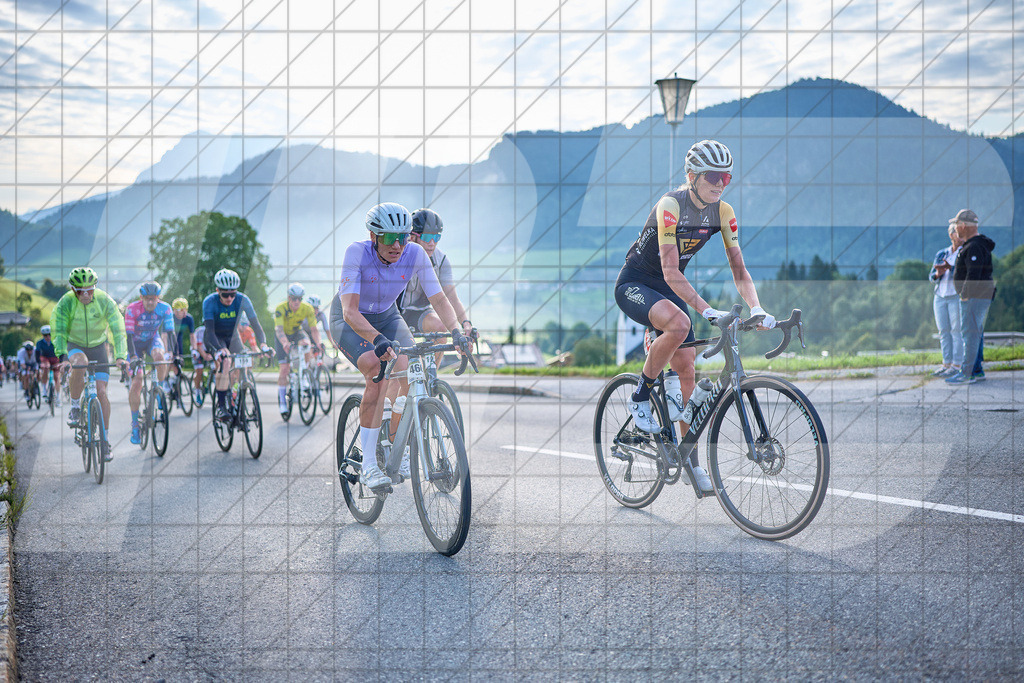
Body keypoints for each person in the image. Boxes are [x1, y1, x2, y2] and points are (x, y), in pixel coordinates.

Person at [614, 139, 776, 494]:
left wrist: (757, 307)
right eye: (712, 176)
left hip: (671, 290)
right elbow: (670, 270)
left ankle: (690, 461)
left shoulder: (723, 212)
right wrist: (707, 310)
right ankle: (641, 395)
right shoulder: (671, 204)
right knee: (681, 323)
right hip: (637, 283)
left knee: (687, 368)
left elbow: (739, 269)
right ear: (692, 175)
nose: (719, 183)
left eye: (726, 177)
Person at [330, 202, 470, 490]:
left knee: (410, 368)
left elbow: (440, 299)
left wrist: (456, 331)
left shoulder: (416, 253)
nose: (398, 245)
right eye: (390, 238)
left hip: (387, 316)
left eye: (404, 237)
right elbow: (350, 311)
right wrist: (377, 339)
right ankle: (368, 465)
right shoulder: (356, 252)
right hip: (349, 320)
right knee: (375, 371)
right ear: (374, 236)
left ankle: (396, 445)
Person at [51, 267, 128, 461]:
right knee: (81, 363)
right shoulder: (66, 303)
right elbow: (59, 330)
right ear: (73, 289)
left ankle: (105, 441)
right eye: (80, 291)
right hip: (75, 344)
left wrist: (120, 356)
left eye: (90, 290)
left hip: (99, 346)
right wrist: (63, 357)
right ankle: (76, 406)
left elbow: (118, 328)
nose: (85, 294)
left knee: (101, 392)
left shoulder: (104, 300)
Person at [201, 268, 270, 421]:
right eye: (225, 294)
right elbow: (210, 332)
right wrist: (219, 350)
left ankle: (237, 394)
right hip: (215, 337)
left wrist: (263, 344)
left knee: (244, 360)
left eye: (233, 294)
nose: (230, 298)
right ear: (217, 290)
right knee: (226, 362)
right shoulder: (209, 302)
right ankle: (222, 407)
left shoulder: (242, 299)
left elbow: (256, 325)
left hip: (233, 337)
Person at [946, 209, 996, 385]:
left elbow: (973, 274)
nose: (956, 228)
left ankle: (967, 373)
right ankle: (976, 370)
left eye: (957, 225)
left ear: (963, 225)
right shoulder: (975, 244)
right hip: (979, 296)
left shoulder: (974, 246)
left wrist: (965, 295)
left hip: (974, 297)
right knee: (976, 333)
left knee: (969, 334)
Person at [124, 282, 175, 444]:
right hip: (135, 345)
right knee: (137, 382)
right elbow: (129, 337)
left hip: (152, 339)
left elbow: (170, 332)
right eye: (147, 299)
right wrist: (132, 357)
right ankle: (134, 426)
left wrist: (175, 354)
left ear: (158, 298)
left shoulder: (165, 308)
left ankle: (159, 388)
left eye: (153, 299)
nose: (150, 302)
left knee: (161, 357)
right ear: (141, 298)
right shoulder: (132, 309)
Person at [272, 283, 322, 417]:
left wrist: (319, 343)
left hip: (296, 332)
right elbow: (279, 329)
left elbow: (314, 330)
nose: (297, 302)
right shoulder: (280, 308)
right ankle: (283, 401)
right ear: (289, 298)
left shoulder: (307, 308)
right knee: (284, 369)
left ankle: (303, 373)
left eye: (299, 299)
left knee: (306, 343)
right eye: (294, 298)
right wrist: (284, 343)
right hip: (282, 336)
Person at [928, 224, 964, 377]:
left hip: (955, 296)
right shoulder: (942, 253)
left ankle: (957, 365)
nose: (960, 235)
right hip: (940, 296)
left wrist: (952, 268)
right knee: (943, 331)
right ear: (951, 235)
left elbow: (965, 275)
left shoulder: (964, 253)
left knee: (956, 331)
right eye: (957, 232)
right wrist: (938, 273)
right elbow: (931, 278)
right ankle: (946, 364)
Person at [35, 325, 62, 406]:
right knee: (46, 367)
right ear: (42, 335)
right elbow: (37, 353)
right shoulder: (39, 343)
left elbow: (61, 352)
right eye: (45, 335)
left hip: (55, 358)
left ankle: (58, 397)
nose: (48, 337)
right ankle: (44, 389)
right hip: (45, 358)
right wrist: (40, 363)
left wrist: (61, 362)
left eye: (49, 334)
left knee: (57, 377)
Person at [191, 324, 213, 403]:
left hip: (208, 351)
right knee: (199, 371)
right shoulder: (200, 330)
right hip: (197, 351)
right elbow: (199, 346)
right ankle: (197, 392)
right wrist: (205, 356)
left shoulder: (215, 329)